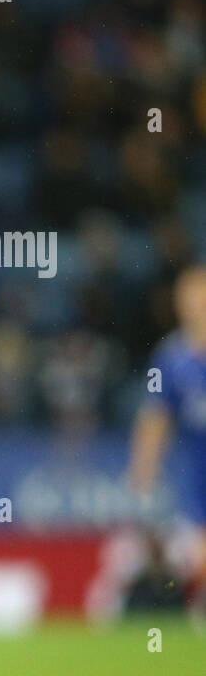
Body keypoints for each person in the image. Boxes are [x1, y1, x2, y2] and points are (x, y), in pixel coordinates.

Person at [128, 264, 206, 616]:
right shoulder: (170, 358)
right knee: (199, 560)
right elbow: (155, 415)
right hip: (197, 482)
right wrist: (144, 466)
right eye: (188, 295)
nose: (195, 303)